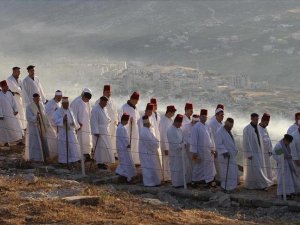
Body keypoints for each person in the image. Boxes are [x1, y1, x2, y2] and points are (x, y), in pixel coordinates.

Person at [243, 113, 273, 190]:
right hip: (252, 153)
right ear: (251, 119)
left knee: (260, 169)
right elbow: (245, 142)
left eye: (257, 119)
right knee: (256, 169)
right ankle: (261, 185)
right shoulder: (246, 129)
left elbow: (267, 140)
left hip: (260, 151)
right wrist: (248, 154)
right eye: (255, 119)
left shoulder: (258, 128)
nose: (257, 121)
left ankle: (261, 184)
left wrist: (269, 149)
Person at [190, 109, 216, 187]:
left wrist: (213, 148)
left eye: (205, 117)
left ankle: (208, 180)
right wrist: (194, 152)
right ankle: (194, 181)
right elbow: (193, 140)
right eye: (203, 116)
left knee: (208, 166)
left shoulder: (208, 126)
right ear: (200, 117)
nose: (204, 118)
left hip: (208, 151)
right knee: (198, 166)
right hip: (200, 151)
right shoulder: (196, 127)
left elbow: (211, 138)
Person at [53, 97, 81, 164]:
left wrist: (76, 127)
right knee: (64, 147)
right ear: (62, 104)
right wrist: (62, 120)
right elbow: (55, 120)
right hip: (63, 132)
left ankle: (74, 160)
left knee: (73, 146)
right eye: (65, 104)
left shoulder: (70, 110)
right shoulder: (58, 111)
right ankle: (64, 161)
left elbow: (74, 120)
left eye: (67, 103)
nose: (67, 105)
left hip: (71, 131)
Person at [90, 96, 115, 170]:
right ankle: (99, 163)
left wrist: (109, 120)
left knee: (105, 147)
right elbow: (93, 121)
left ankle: (104, 162)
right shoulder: (95, 109)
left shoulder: (104, 109)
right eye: (104, 102)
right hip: (99, 132)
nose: (105, 104)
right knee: (100, 148)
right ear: (101, 101)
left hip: (105, 130)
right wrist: (96, 131)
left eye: (106, 102)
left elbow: (107, 117)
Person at [167, 114, 192, 187]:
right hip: (175, 153)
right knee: (176, 168)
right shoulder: (170, 130)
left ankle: (182, 182)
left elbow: (183, 139)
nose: (181, 125)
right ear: (176, 122)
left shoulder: (179, 129)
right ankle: (176, 184)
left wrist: (184, 143)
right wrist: (182, 145)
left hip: (182, 152)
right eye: (180, 123)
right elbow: (173, 144)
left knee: (183, 168)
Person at [215, 118, 239, 192]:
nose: (230, 128)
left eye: (231, 126)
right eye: (229, 126)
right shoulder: (220, 132)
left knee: (232, 172)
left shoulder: (229, 131)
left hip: (232, 156)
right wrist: (225, 152)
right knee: (226, 173)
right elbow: (218, 144)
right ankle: (226, 188)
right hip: (225, 157)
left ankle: (232, 187)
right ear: (226, 123)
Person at [95, 85, 118, 159]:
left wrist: (117, 120)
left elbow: (115, 112)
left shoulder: (113, 101)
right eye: (107, 92)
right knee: (105, 141)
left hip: (113, 124)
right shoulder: (99, 101)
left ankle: (113, 153)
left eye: (110, 92)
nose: (109, 94)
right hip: (105, 126)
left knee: (113, 139)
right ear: (103, 92)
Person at [25, 93, 50, 162]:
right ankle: (35, 157)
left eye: (38, 98)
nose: (37, 100)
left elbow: (44, 114)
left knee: (43, 141)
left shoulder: (41, 105)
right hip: (34, 127)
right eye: (36, 98)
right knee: (35, 142)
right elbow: (28, 117)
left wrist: (47, 123)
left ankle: (44, 156)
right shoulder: (29, 106)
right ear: (33, 98)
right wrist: (36, 117)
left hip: (42, 126)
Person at [273, 134, 299, 199]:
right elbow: (276, 155)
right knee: (282, 179)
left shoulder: (287, 145)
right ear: (285, 140)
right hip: (282, 165)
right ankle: (282, 194)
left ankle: (288, 193)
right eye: (289, 142)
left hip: (288, 164)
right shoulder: (279, 145)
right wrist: (282, 158)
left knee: (289, 180)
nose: (289, 143)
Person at [139, 115, 162, 187]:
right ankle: (149, 183)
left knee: (152, 167)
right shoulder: (144, 132)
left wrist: (156, 142)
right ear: (146, 123)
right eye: (149, 123)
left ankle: (155, 182)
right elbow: (151, 142)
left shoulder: (147, 130)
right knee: (148, 168)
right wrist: (156, 144)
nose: (150, 124)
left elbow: (154, 139)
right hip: (147, 153)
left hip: (150, 152)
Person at [70, 88, 92, 160]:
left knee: (87, 140)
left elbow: (89, 113)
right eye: (87, 98)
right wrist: (77, 125)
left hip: (87, 125)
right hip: (80, 126)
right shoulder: (76, 102)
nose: (87, 101)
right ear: (83, 95)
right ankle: (80, 156)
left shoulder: (87, 102)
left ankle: (87, 154)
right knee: (80, 140)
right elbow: (73, 115)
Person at [120, 91, 141, 165]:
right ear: (132, 99)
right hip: (127, 130)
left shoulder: (135, 108)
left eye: (138, 100)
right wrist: (129, 121)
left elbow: (138, 118)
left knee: (135, 144)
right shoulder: (124, 107)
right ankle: (128, 161)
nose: (137, 102)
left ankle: (135, 160)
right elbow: (121, 119)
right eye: (136, 100)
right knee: (128, 144)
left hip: (135, 130)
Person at [0, 80, 23, 146]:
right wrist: (0, 114)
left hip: (11, 113)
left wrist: (15, 110)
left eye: (7, 86)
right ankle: (5, 142)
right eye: (5, 86)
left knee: (15, 126)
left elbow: (13, 103)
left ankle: (18, 141)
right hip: (3, 115)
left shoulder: (9, 93)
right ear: (2, 87)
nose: (7, 87)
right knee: (4, 129)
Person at [115, 113, 137, 183]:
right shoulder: (121, 128)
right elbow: (123, 138)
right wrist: (127, 144)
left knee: (124, 161)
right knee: (126, 162)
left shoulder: (121, 127)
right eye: (127, 121)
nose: (127, 122)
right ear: (124, 120)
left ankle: (120, 171)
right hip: (123, 148)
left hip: (122, 147)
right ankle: (128, 177)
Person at [159, 105, 177, 181]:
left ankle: (170, 176)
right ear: (169, 112)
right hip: (166, 145)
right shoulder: (163, 121)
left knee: (170, 161)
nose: (174, 114)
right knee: (166, 162)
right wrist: (166, 148)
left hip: (171, 145)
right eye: (173, 112)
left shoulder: (170, 119)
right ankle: (166, 177)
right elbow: (163, 135)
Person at [208, 106, 224, 183]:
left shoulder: (222, 123)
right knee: (216, 164)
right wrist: (214, 149)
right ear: (217, 115)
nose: (222, 117)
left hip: (222, 147)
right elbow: (212, 137)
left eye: (223, 115)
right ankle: (217, 179)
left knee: (221, 165)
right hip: (216, 148)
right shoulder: (212, 124)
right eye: (221, 115)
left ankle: (221, 178)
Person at [45, 90, 62, 159]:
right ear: (55, 96)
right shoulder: (50, 103)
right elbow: (47, 113)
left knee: (56, 140)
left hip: (57, 124)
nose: (60, 99)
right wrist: (54, 112)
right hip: (51, 125)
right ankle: (51, 155)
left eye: (61, 97)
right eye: (59, 97)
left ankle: (56, 154)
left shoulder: (58, 103)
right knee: (51, 140)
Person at [182, 114, 199, 184]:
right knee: (190, 164)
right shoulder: (186, 126)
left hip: (196, 148)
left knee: (196, 164)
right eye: (194, 122)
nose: (195, 124)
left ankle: (196, 179)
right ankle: (191, 180)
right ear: (192, 121)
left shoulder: (198, 127)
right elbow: (185, 137)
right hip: (189, 149)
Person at [258, 113, 273, 181]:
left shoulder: (265, 128)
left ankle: (268, 180)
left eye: (268, 122)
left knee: (268, 168)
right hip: (261, 154)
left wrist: (270, 150)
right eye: (266, 122)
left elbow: (268, 140)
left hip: (267, 153)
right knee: (263, 168)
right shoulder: (257, 130)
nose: (267, 124)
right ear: (262, 121)